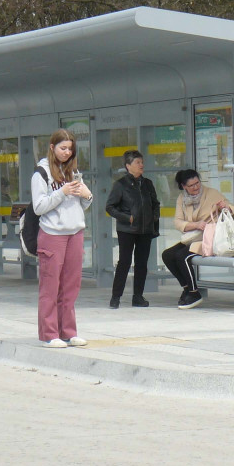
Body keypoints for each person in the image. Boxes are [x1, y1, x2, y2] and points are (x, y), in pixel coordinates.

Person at [32, 128, 93, 347]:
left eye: (70, 149)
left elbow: (82, 203)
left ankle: (68, 331)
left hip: (75, 232)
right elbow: (39, 207)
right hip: (52, 234)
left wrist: (87, 195)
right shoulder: (41, 173)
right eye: (63, 148)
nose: (67, 153)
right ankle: (49, 334)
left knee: (70, 286)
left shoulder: (72, 171)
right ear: (52, 147)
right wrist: (62, 192)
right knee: (50, 286)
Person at [160, 169, 234, 310]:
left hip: (210, 239)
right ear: (184, 186)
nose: (196, 187)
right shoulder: (182, 199)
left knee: (182, 256)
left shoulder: (211, 193)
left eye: (197, 183)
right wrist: (195, 225)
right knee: (167, 255)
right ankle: (186, 288)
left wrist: (226, 207)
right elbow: (177, 222)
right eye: (191, 185)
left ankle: (194, 293)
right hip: (194, 237)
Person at [105, 149, 160, 308]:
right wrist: (127, 217)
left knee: (142, 263)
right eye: (137, 162)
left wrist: (153, 217)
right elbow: (110, 207)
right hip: (127, 230)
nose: (141, 165)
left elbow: (155, 204)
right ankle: (116, 297)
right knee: (124, 262)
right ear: (128, 166)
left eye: (142, 162)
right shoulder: (120, 185)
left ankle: (138, 297)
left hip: (145, 229)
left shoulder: (147, 183)